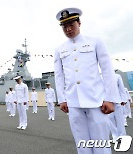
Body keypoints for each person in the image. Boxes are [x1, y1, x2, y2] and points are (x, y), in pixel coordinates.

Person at [54, 8, 119, 154]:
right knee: (81, 143)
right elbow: (59, 76)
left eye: (72, 24)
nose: (68, 29)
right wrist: (62, 99)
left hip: (96, 100)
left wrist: (110, 98)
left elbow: (107, 70)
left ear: (79, 23)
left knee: (101, 143)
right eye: (65, 26)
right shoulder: (59, 49)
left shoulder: (95, 41)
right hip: (73, 103)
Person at [109, 73, 127, 142]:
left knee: (119, 119)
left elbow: (121, 88)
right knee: (110, 120)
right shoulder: (101, 76)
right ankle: (115, 137)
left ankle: (122, 136)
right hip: (107, 101)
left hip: (117, 101)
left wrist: (123, 99)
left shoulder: (117, 76)